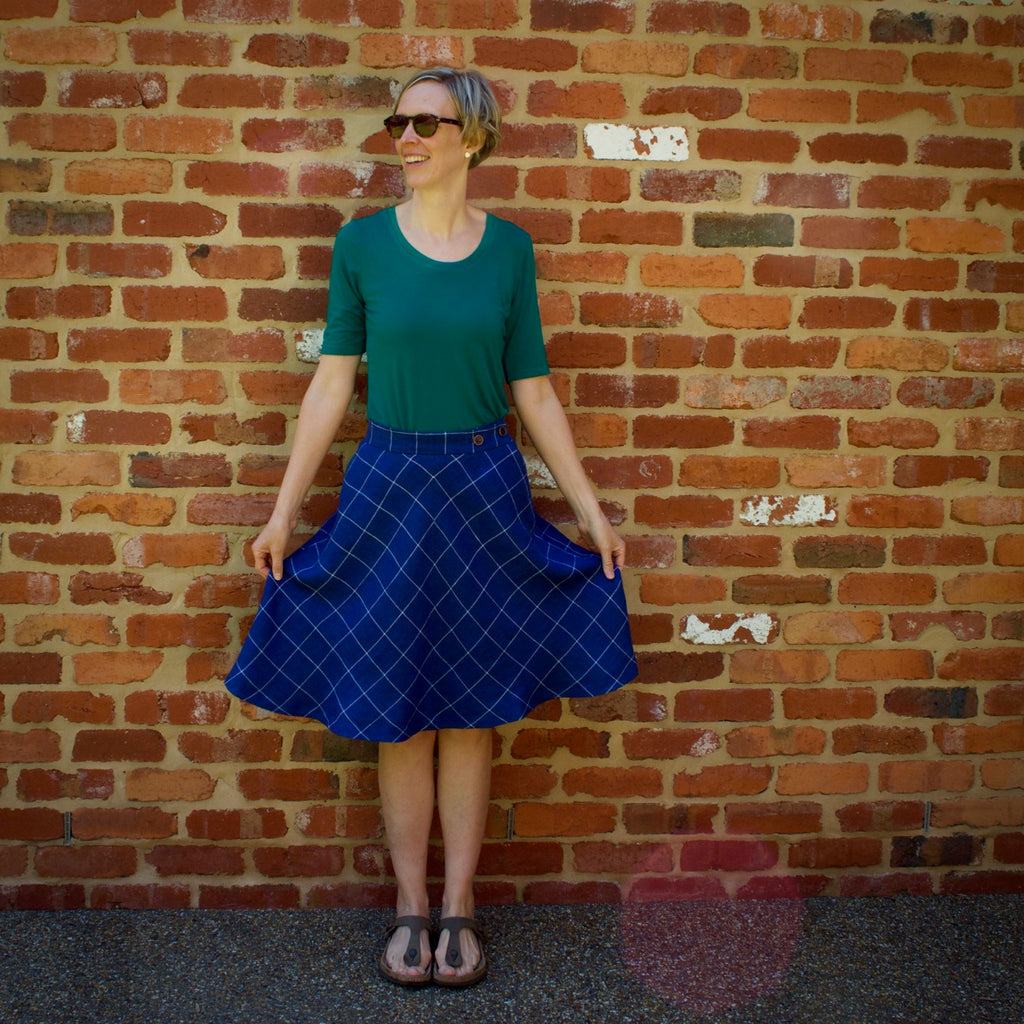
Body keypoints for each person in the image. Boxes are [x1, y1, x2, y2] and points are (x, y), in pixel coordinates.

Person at [224, 67, 637, 988]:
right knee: (400, 710)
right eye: (397, 120)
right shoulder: (362, 246)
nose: (404, 136)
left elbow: (532, 386)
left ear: (472, 138)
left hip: (484, 485)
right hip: (390, 485)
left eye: (425, 121)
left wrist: (588, 512)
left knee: (474, 710)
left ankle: (460, 907)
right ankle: (410, 906)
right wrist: (285, 511)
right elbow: (332, 382)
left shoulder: (510, 253)